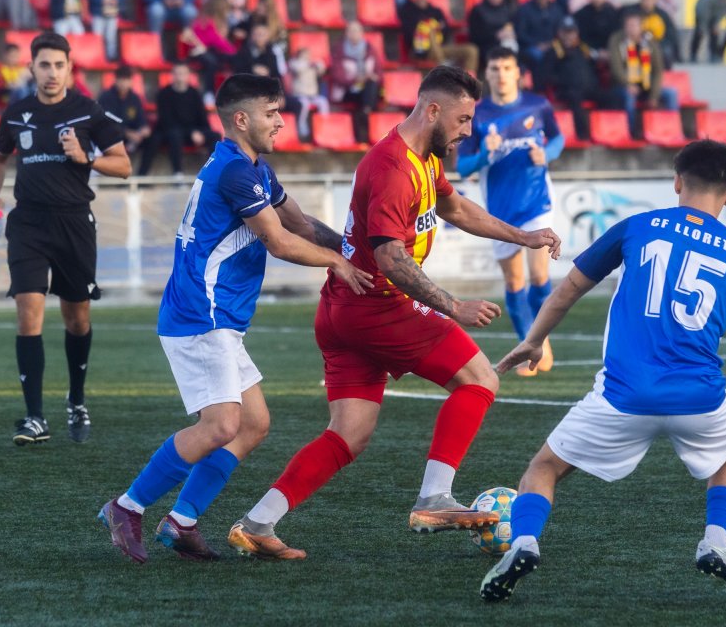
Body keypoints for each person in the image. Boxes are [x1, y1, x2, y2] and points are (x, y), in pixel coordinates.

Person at [227, 65, 561, 560]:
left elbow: (458, 209)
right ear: (433, 110)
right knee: (479, 379)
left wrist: (524, 235)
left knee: (349, 434)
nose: (469, 131)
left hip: (342, 310)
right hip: (376, 306)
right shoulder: (392, 167)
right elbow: (389, 258)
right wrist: (453, 305)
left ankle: (257, 523)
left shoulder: (425, 157)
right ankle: (433, 498)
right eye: (464, 119)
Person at [479, 139, 726, 602]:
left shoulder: (637, 226)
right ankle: (717, 543)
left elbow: (568, 290)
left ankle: (523, 542)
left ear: (677, 182)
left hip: (623, 395)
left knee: (544, 467)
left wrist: (534, 340)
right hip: (698, 399)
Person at [99, 74, 374, 564]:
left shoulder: (255, 168)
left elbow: (301, 224)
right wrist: (336, 262)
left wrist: (352, 247)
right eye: (272, 113)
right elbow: (279, 240)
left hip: (219, 318)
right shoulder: (234, 172)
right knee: (222, 424)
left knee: (254, 424)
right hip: (200, 315)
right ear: (241, 119)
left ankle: (181, 521)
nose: (281, 121)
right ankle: (127, 506)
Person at [0, 32, 130, 444]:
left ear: (70, 68)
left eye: (59, 65)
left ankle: (76, 400)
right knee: (28, 310)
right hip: (28, 223)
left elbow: (124, 165)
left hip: (73, 224)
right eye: (44, 64)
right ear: (31, 67)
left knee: (76, 318)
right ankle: (34, 417)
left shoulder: (88, 112)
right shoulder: (16, 113)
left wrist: (88, 159)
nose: (51, 72)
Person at [457, 46, 563, 373]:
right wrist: (485, 157)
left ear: (517, 72)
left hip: (537, 203)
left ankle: (538, 343)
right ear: (486, 74)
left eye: (506, 68)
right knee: (515, 281)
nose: (501, 74)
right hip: (500, 212)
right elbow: (462, 167)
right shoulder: (478, 115)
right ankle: (528, 344)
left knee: (539, 274)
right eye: (494, 68)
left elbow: (558, 140)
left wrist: (547, 155)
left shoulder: (538, 106)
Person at [139, 61, 221, 177]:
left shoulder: (195, 93)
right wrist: (192, 132)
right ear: (172, 75)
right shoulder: (164, 93)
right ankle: (178, 173)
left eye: (183, 73)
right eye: (177, 73)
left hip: (192, 132)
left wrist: (201, 133)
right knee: (175, 134)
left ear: (188, 75)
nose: (180, 77)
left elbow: (202, 118)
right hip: (169, 132)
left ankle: (215, 173)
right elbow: (167, 121)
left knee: (215, 135)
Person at [540, 18, 613, 141]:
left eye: (571, 32)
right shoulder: (553, 51)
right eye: (565, 32)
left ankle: (607, 132)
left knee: (611, 97)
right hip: (566, 91)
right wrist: (564, 81)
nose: (568, 36)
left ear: (576, 33)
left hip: (588, 89)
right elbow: (545, 76)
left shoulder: (583, 49)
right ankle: (582, 135)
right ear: (559, 33)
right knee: (575, 98)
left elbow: (594, 67)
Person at [608, 11, 678, 134]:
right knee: (629, 97)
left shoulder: (650, 43)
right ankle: (632, 132)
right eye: (628, 26)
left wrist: (654, 96)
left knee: (671, 94)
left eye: (634, 26)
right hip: (624, 85)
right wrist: (628, 84)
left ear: (641, 27)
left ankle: (672, 129)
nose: (631, 29)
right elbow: (616, 68)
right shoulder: (617, 41)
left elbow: (657, 71)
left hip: (647, 85)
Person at [398, 0, 479, 73]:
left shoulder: (436, 11)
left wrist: (441, 28)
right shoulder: (407, 11)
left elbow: (447, 31)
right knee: (429, 30)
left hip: (439, 48)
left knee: (471, 51)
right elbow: (408, 35)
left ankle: (468, 84)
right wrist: (426, 28)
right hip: (419, 51)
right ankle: (446, 69)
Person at [330, 20, 383, 145]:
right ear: (346, 34)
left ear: (362, 33)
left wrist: (372, 77)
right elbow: (338, 76)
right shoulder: (339, 51)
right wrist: (356, 79)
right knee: (369, 92)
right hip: (348, 90)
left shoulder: (370, 49)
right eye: (351, 31)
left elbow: (379, 73)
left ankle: (366, 111)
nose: (354, 34)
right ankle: (367, 112)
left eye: (357, 31)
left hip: (366, 90)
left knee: (371, 85)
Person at [97, 64, 151, 155]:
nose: (123, 83)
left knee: (152, 139)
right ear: (115, 80)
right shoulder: (106, 97)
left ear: (131, 81)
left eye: (126, 79)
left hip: (132, 135)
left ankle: (143, 170)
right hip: (113, 135)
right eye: (121, 79)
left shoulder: (135, 98)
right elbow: (107, 122)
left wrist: (143, 128)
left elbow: (140, 118)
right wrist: (127, 133)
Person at [513, 0, 564, 70]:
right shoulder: (524, 9)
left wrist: (551, 44)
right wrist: (537, 44)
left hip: (551, 45)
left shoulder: (556, 10)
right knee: (538, 56)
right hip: (530, 47)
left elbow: (560, 31)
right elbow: (520, 33)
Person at [467, 0, 518, 65]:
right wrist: (495, 35)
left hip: (506, 42)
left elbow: (513, 26)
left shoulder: (507, 9)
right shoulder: (477, 11)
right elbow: (474, 36)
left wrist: (512, 33)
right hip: (486, 46)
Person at [288, 46, 329, 139]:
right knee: (304, 104)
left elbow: (322, 71)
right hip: (299, 95)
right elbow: (298, 69)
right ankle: (302, 127)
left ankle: (324, 125)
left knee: (323, 102)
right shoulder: (294, 63)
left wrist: (318, 64)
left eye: (308, 55)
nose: (307, 56)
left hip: (312, 95)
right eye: (304, 54)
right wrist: (307, 63)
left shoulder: (313, 64)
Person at [0, 42, 33, 108]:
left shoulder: (22, 69)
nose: (14, 59)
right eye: (12, 56)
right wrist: (12, 85)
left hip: (20, 96)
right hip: (7, 99)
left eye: (16, 56)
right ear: (5, 56)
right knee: (21, 90)